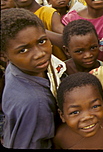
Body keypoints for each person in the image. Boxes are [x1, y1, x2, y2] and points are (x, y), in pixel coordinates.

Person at [1, 8, 66, 149]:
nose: (39, 54)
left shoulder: (19, 67)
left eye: (42, 41)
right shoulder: (35, 103)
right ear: (4, 56)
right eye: (23, 50)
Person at [53, 72, 103, 149]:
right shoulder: (60, 137)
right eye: (75, 112)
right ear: (62, 115)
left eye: (95, 106)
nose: (87, 117)